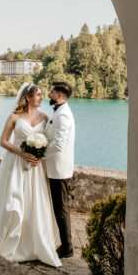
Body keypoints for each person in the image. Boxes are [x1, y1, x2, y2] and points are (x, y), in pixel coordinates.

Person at [0, 83, 61, 267]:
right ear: (28, 97)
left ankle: (33, 243)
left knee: (35, 202)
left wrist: (40, 156)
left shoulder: (44, 117)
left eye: (42, 94)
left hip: (35, 167)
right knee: (13, 201)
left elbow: (50, 142)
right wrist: (21, 153)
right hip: (15, 164)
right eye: (38, 95)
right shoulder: (14, 117)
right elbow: (3, 141)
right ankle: (6, 240)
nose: (41, 98)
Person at [43, 81, 76, 258]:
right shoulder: (58, 111)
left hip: (59, 169)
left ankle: (67, 247)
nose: (49, 94)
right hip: (56, 167)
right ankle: (64, 244)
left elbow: (58, 144)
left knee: (61, 208)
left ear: (60, 95)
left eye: (51, 91)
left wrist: (40, 155)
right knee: (59, 207)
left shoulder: (63, 115)